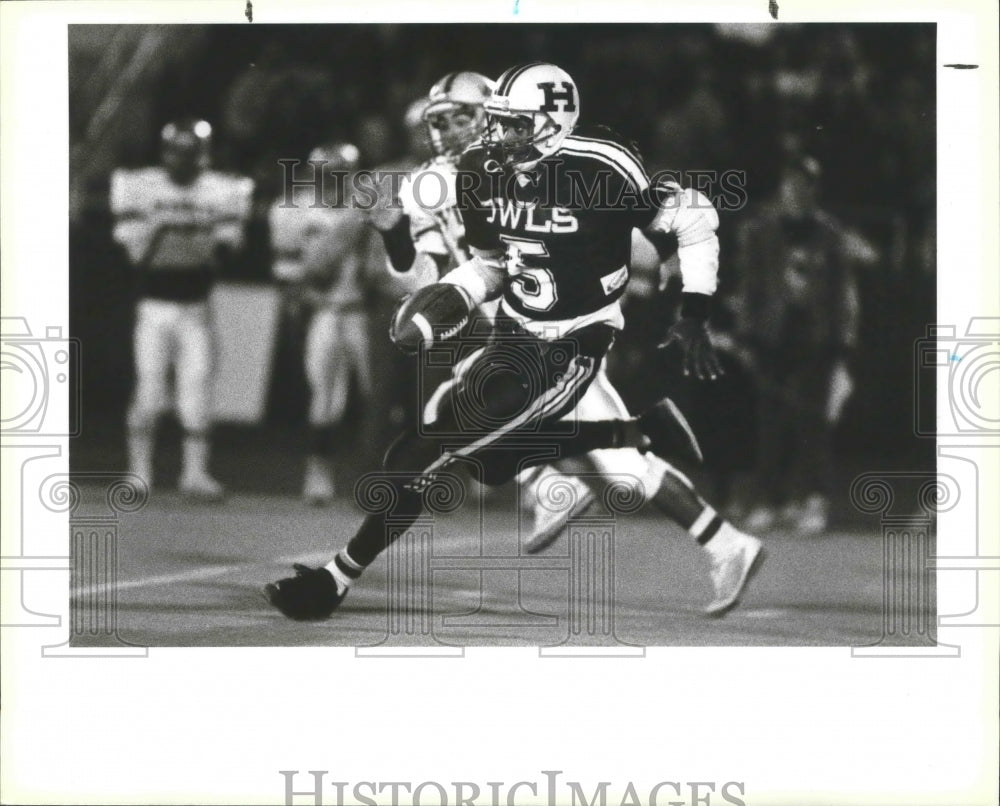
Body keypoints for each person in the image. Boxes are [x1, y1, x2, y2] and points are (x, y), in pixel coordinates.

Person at [266, 63, 763, 621]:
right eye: (455, 121)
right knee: (604, 468)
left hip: (567, 338)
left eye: (473, 119)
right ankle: (719, 539)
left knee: (453, 447)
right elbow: (467, 265)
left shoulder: (593, 165)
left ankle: (340, 577)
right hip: (507, 329)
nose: (468, 132)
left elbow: (674, 217)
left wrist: (682, 279)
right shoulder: (465, 174)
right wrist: (414, 255)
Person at [110, 119, 254, 499]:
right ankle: (139, 471)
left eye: (191, 153)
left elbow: (225, 249)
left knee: (197, 389)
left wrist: (182, 231)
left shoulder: (221, 191)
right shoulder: (141, 186)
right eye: (179, 151)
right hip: (154, 306)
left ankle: (194, 473)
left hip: (196, 307)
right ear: (165, 152)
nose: (184, 160)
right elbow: (134, 251)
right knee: (150, 387)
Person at [728, 154, 861, 534]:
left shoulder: (830, 234)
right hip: (773, 337)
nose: (798, 190)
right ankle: (771, 500)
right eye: (792, 182)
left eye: (806, 183)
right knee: (769, 423)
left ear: (815, 189)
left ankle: (812, 500)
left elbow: (843, 294)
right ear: (783, 186)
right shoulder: (762, 231)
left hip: (814, 337)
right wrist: (747, 334)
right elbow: (750, 285)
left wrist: (842, 342)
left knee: (811, 423)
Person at [269, 142, 373, 505]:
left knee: (378, 398)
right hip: (325, 310)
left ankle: (382, 476)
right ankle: (318, 475)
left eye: (338, 175)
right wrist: (302, 295)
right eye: (326, 175)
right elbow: (286, 273)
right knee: (325, 399)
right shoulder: (294, 209)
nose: (332, 183)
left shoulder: (370, 207)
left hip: (363, 310)